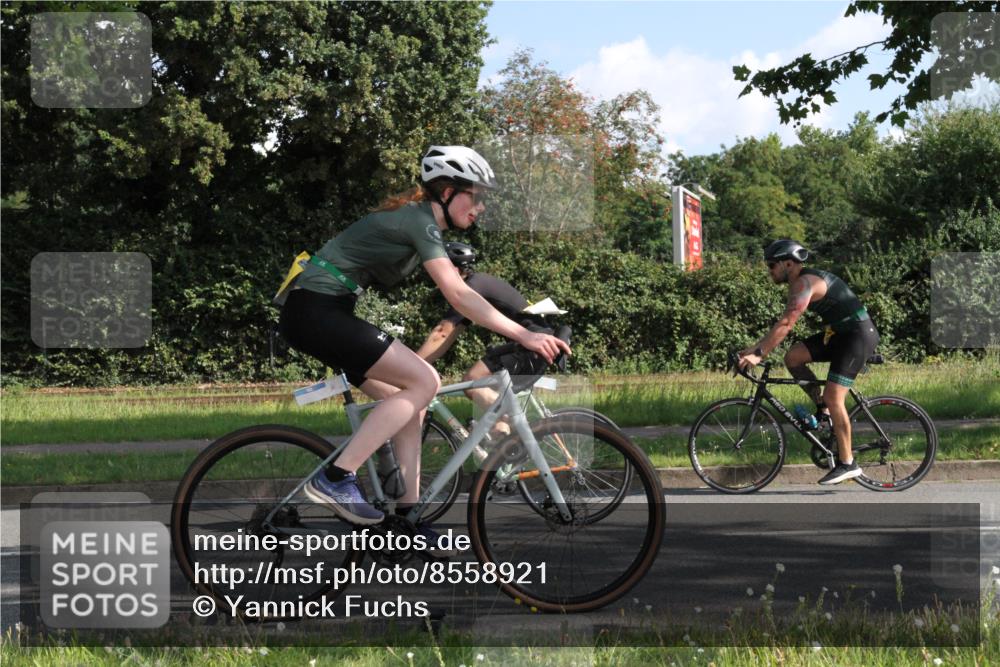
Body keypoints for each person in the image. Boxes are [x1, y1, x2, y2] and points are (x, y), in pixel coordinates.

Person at [278, 146, 571, 532]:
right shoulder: (419, 220)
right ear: (447, 191)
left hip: (320, 313)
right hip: (314, 312)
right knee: (424, 380)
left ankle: (406, 517)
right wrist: (524, 336)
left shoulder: (420, 224)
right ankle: (335, 478)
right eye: (476, 196)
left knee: (413, 404)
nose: (480, 208)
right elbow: (460, 295)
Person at [738, 239, 880, 485]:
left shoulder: (805, 283)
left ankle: (848, 463)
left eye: (772, 265)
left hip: (857, 336)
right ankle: (824, 412)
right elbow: (780, 325)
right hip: (838, 334)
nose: (769, 270)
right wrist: (752, 349)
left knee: (835, 396)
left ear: (789, 263)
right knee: (793, 358)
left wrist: (759, 355)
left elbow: (786, 324)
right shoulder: (797, 282)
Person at [415, 242, 550, 437]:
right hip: (537, 342)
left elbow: (442, 333)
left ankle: (519, 424)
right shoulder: (476, 284)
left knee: (472, 380)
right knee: (491, 409)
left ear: (452, 268)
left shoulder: (470, 288)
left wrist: (412, 367)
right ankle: (500, 459)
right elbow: (451, 333)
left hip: (534, 344)